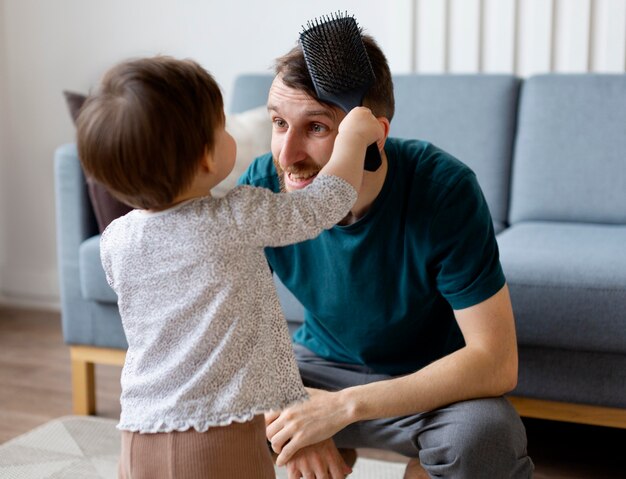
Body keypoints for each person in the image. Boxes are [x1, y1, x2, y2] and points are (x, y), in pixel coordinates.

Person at [238, 34, 535, 479]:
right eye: (279, 123)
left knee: (483, 440)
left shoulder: (443, 190)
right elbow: (227, 328)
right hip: (318, 367)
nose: (288, 155)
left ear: (374, 137)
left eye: (316, 128)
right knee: (221, 412)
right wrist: (289, 411)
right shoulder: (265, 184)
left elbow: (495, 361)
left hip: (427, 382)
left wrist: (340, 409)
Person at [76, 55, 383, 478]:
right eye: (222, 127)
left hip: (139, 433)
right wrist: (352, 139)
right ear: (205, 158)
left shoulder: (115, 241)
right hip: (217, 434)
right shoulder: (237, 216)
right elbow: (322, 205)